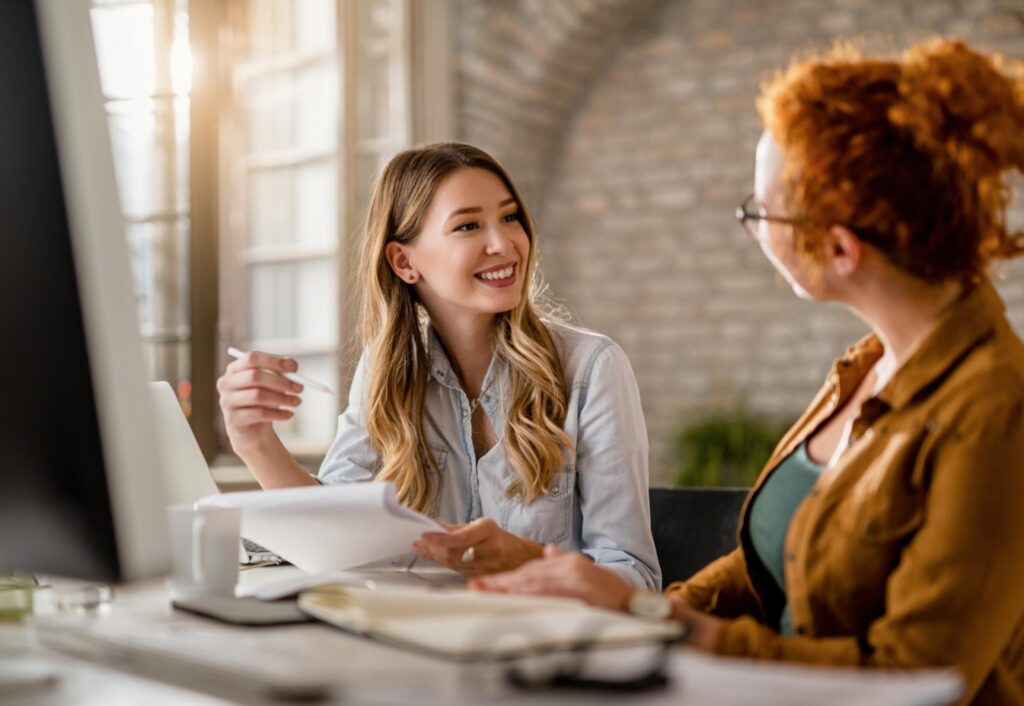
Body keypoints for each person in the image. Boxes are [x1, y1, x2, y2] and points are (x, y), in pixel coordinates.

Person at [472, 39, 1024, 704]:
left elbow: (918, 676)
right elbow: (771, 565)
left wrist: (659, 621)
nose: (755, 228)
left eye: (760, 212)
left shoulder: (997, 411)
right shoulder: (865, 369)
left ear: (841, 248)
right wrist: (622, 606)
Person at [217, 142, 660, 588]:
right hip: (415, 641)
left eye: (510, 218)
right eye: (469, 225)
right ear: (404, 262)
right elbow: (331, 537)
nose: (504, 243)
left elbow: (635, 578)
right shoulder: (386, 371)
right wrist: (255, 443)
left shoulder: (591, 368)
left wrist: (523, 560)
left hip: (541, 646)